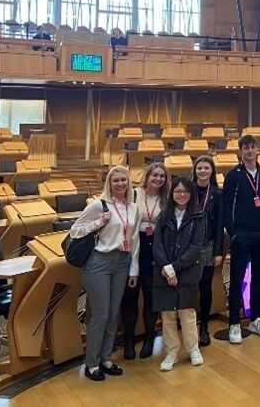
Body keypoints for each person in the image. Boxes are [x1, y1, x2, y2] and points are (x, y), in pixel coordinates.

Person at [70, 165, 139, 381]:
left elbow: (134, 240)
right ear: (109, 183)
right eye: (115, 180)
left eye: (123, 180)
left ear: (129, 183)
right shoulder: (98, 205)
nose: (120, 184)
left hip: (122, 261)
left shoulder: (133, 208)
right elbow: (75, 231)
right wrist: (100, 221)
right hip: (99, 262)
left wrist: (133, 269)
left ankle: (106, 359)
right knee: (100, 315)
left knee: (113, 313)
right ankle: (91, 363)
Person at [222, 135, 260, 343]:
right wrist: (233, 232)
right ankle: (234, 322)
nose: (250, 151)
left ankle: (255, 318)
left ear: (258, 150)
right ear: (240, 151)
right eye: (246, 147)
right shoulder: (233, 175)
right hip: (242, 234)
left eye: (253, 147)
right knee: (237, 279)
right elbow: (227, 206)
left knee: (259, 277)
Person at [153, 177, 206, 371]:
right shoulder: (163, 216)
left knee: (187, 313)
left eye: (185, 191)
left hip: (187, 272)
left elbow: (196, 247)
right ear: (172, 194)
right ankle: (172, 352)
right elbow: (157, 246)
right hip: (164, 272)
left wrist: (174, 267)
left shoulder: (199, 217)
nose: (181, 195)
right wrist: (167, 269)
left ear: (190, 194)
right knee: (167, 315)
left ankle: (193, 349)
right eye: (177, 191)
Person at [121, 162, 168, 359]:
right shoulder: (133, 194)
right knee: (129, 297)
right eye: (154, 175)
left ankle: (149, 338)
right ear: (147, 176)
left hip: (154, 249)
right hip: (132, 246)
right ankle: (129, 341)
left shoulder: (165, 199)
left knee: (151, 296)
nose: (158, 179)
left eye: (162, 176)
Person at [192, 155, 224, 347]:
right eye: (199, 168)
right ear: (194, 171)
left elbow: (220, 223)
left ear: (212, 171)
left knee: (204, 285)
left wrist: (218, 251)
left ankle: (204, 326)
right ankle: (189, 325)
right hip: (188, 247)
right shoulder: (187, 189)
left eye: (206, 168)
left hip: (207, 246)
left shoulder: (217, 193)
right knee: (189, 286)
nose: (202, 171)